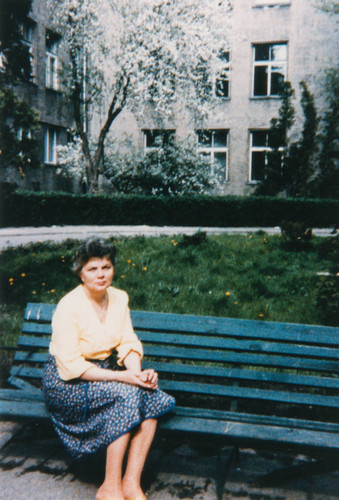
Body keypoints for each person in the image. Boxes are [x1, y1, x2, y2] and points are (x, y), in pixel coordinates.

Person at [42, 238, 175, 500]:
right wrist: (123, 378)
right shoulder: (69, 307)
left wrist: (136, 374)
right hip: (67, 382)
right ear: (80, 273)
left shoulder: (119, 298)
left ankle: (131, 484)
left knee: (152, 396)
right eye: (92, 269)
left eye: (106, 267)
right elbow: (72, 366)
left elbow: (128, 342)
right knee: (125, 396)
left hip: (104, 373)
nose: (101, 275)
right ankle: (109, 487)